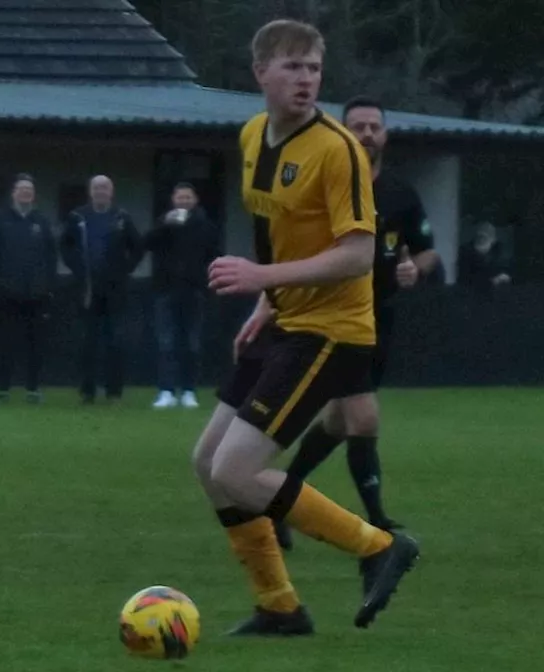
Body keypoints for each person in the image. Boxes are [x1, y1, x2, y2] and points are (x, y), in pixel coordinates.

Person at [192, 19, 419, 636]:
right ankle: (279, 606)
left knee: (236, 470)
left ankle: (377, 546)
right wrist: (265, 301)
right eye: (292, 66)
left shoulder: (337, 147)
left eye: (314, 68)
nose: (306, 79)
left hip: (333, 330)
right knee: (207, 461)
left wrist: (262, 275)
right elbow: (276, 225)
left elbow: (356, 254)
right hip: (287, 318)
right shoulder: (251, 137)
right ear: (260, 72)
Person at [275, 96, 442, 553]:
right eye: (358, 126)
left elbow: (427, 250)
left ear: (385, 135)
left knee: (337, 421)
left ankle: (278, 497)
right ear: (343, 134)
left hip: (379, 317)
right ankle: (377, 524)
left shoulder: (401, 193)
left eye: (375, 126)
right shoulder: (326, 186)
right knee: (363, 418)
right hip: (336, 317)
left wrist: (417, 269)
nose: (368, 134)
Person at [59, 175, 143, 404]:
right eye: (97, 187)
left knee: (115, 342)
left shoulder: (122, 218)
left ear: (111, 191)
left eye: (105, 187)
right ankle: (87, 392)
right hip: (87, 290)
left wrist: (125, 269)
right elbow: (65, 246)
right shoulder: (78, 217)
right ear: (90, 191)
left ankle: (113, 392)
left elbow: (137, 247)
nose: (101, 191)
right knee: (88, 342)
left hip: (115, 291)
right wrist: (77, 267)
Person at [0, 173, 58, 403]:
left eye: (29, 190)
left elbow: (51, 256)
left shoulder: (41, 221)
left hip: (37, 293)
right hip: (6, 292)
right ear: (13, 193)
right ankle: (3, 389)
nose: (26, 193)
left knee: (35, 344)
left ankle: (33, 389)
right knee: (5, 342)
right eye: (22, 189)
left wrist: (49, 286)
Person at [146, 182, 221, 410]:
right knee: (166, 342)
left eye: (188, 198)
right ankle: (166, 391)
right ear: (173, 200)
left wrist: (206, 284)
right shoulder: (164, 223)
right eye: (180, 198)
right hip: (166, 291)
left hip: (194, 292)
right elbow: (147, 243)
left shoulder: (206, 226)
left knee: (191, 343)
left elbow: (215, 256)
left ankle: (188, 391)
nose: (184, 202)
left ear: (195, 200)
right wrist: (164, 226)